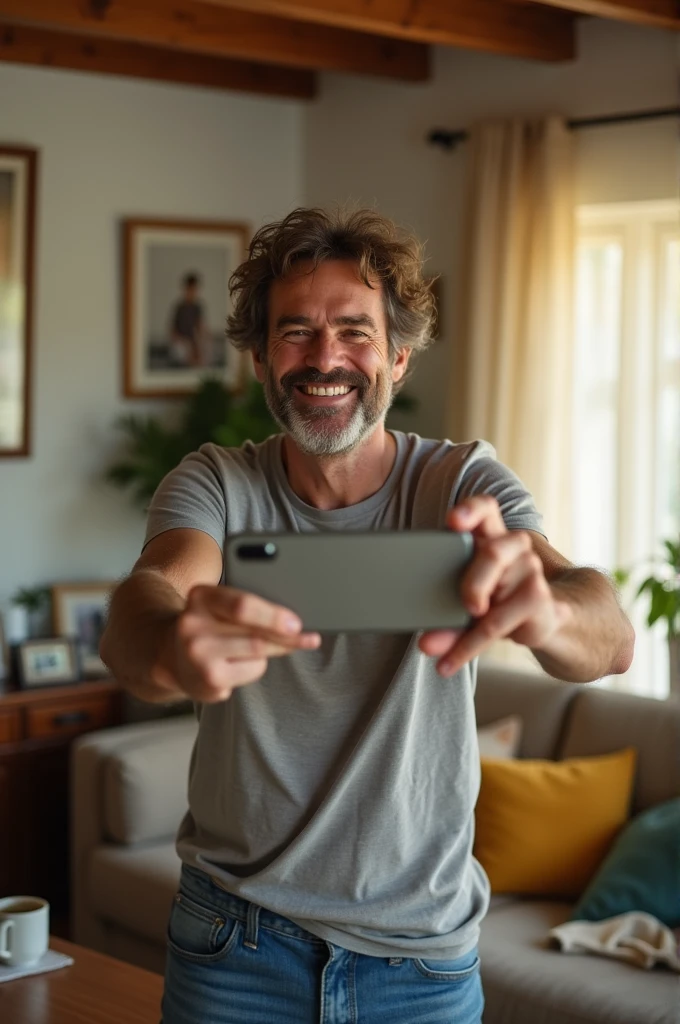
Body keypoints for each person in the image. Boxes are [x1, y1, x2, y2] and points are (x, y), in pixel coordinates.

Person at [100, 208, 634, 1024]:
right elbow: (148, 599)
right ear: (258, 359)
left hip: (420, 963)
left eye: (354, 330)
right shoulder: (215, 484)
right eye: (295, 333)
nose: (324, 358)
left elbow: (611, 636)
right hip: (233, 943)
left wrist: (547, 614)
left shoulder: (461, 484)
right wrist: (174, 645)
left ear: (397, 354)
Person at [168, 272, 207, 367]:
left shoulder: (197, 307)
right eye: (190, 289)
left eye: (194, 290)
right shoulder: (179, 308)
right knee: (181, 351)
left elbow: (200, 327)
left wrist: (198, 343)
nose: (192, 293)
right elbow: (173, 331)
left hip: (194, 342)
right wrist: (184, 342)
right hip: (181, 343)